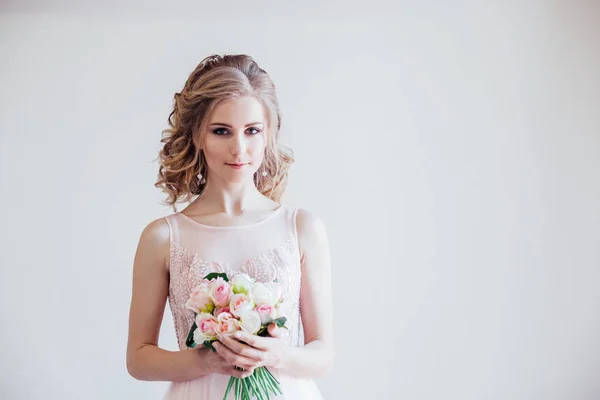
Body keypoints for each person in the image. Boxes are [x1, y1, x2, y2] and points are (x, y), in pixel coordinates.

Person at [126, 54, 334, 399]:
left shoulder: (302, 228)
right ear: (197, 135)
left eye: (252, 131)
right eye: (221, 131)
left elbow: (323, 356)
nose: (239, 148)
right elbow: (138, 358)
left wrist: (276, 354)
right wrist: (206, 361)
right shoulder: (162, 237)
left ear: (268, 134)